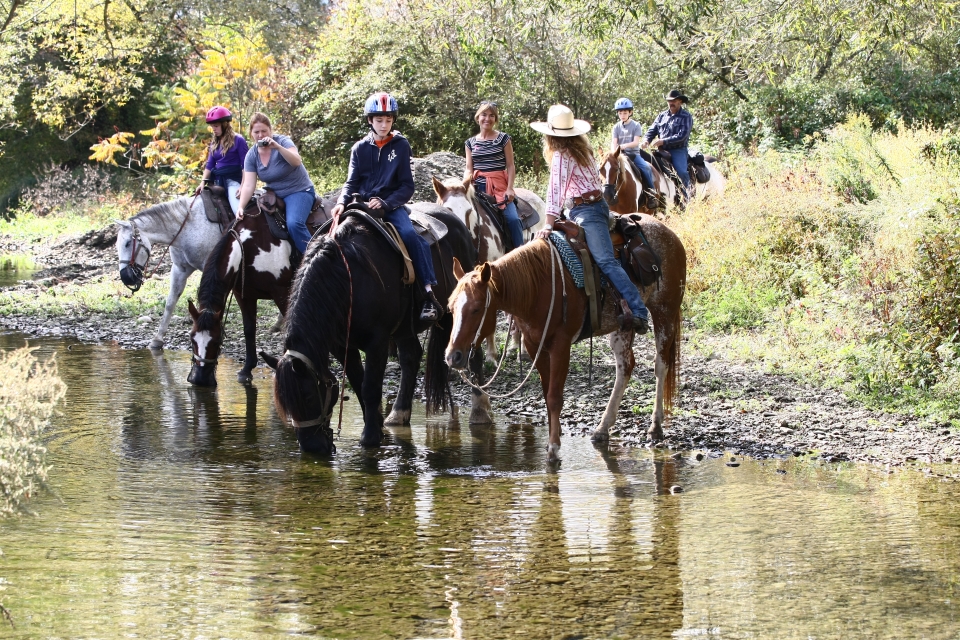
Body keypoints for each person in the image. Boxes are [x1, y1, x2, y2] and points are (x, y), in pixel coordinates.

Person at [531, 105, 649, 334]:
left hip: (587, 211)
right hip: (589, 207)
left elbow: (554, 191)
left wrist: (547, 224)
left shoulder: (561, 156)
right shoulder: (582, 150)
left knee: (605, 260)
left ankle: (639, 310)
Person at [329, 92, 442, 323]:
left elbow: (406, 186)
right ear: (370, 121)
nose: (384, 124)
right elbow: (351, 182)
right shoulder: (359, 149)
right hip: (361, 204)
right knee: (331, 238)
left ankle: (428, 293)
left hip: (391, 205)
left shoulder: (401, 146)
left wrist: (387, 202)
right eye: (379, 120)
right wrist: (341, 203)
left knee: (411, 236)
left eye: (388, 120)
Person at [236, 112, 317, 254]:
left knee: (294, 224)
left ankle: (314, 258)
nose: (260, 135)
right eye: (256, 132)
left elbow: (297, 161)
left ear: (270, 130)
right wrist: (241, 207)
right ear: (251, 133)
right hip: (274, 195)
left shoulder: (283, 141)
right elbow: (249, 185)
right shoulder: (251, 155)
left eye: (264, 131)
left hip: (299, 190)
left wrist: (277, 147)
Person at [464, 101, 524, 250]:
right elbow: (468, 168)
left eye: (492, 116)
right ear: (478, 117)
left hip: (499, 186)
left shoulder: (503, 139)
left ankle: (520, 252)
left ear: (495, 119)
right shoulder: (470, 143)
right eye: (484, 114)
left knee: (513, 219)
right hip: (478, 186)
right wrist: (464, 184)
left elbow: (510, 165)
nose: (487, 119)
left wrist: (510, 189)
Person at [642, 90, 693, 201]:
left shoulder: (686, 116)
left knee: (681, 172)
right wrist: (646, 140)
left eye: (674, 101)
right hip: (661, 150)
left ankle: (688, 197)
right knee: (643, 166)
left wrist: (663, 141)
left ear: (680, 101)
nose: (671, 103)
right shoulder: (662, 116)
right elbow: (652, 130)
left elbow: (682, 136)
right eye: (669, 101)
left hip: (678, 150)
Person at [196, 106, 249, 214]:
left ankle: (242, 230)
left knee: (237, 210)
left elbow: (246, 166)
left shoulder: (238, 140)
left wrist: (243, 186)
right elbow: (210, 165)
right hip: (217, 181)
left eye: (216, 126)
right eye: (212, 126)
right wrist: (202, 183)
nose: (213, 129)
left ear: (225, 124)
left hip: (233, 181)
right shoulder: (214, 142)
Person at [610, 97, 658, 210]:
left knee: (645, 167)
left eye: (625, 112)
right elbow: (614, 143)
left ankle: (651, 195)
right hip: (620, 155)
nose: (622, 115)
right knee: (603, 168)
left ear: (630, 112)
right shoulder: (616, 127)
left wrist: (624, 146)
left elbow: (636, 142)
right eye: (620, 113)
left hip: (633, 154)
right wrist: (614, 153)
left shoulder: (636, 125)